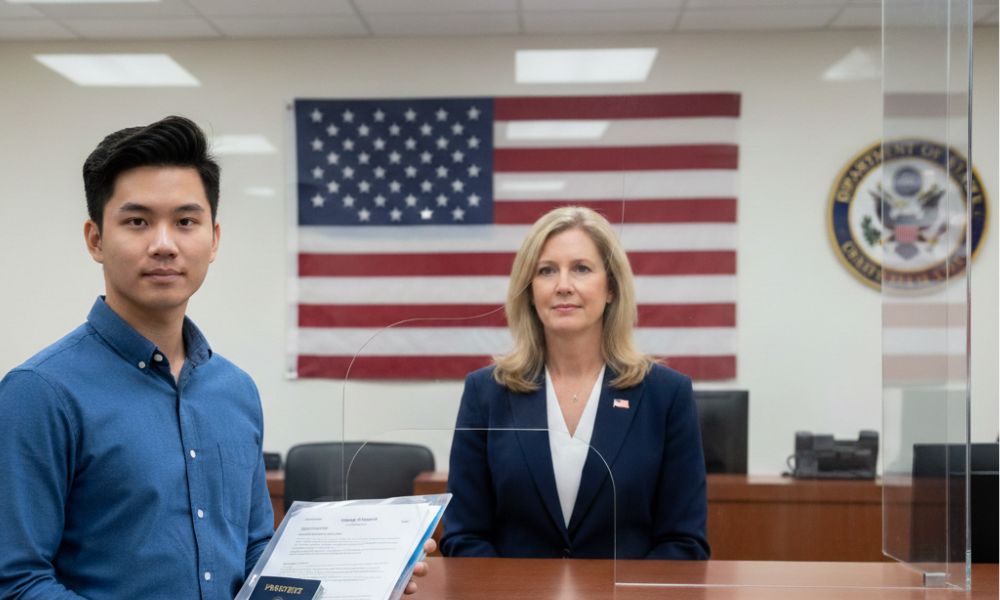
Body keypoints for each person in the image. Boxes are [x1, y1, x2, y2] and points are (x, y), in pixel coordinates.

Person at [0, 116, 432, 599]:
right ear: (96, 239)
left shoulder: (235, 390)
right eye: (137, 221)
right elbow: (17, 582)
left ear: (214, 238)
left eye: (186, 222)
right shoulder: (38, 393)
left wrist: (361, 579)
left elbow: (252, 556)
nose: (164, 244)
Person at [440, 206, 710, 560]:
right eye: (547, 271)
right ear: (530, 289)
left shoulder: (666, 394)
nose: (563, 286)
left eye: (581, 269)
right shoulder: (486, 392)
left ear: (611, 287)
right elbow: (465, 536)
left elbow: (684, 543)